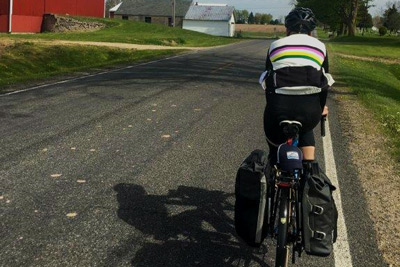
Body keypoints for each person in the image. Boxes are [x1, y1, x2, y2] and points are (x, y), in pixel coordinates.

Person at [260, 7, 334, 165]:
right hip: (309, 112)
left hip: (278, 109)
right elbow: (324, 80)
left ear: (287, 29)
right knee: (305, 126)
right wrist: (322, 108)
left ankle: (274, 158)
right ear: (311, 31)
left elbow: (267, 79)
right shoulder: (320, 47)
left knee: (272, 122)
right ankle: (309, 168)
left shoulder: (275, 45)